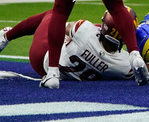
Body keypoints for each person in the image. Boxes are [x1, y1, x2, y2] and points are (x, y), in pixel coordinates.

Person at [0, 8, 138, 81]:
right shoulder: (125, 66)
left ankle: (6, 36)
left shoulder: (85, 29)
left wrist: (72, 39)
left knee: (53, 14)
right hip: (68, 75)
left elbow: (61, 26)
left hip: (42, 58)